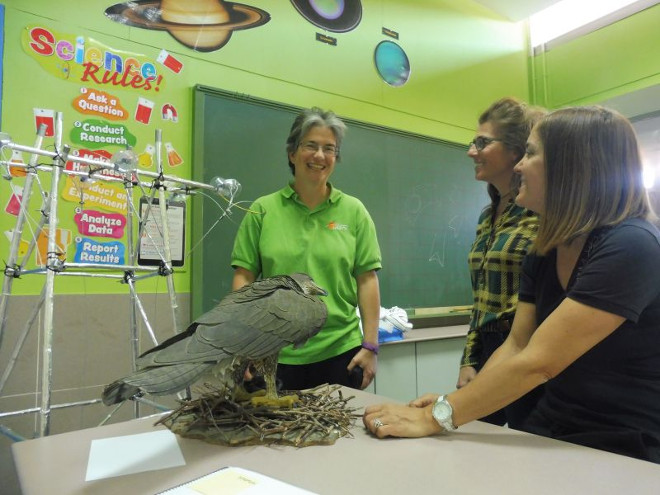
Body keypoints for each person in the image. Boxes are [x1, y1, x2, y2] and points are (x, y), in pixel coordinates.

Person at [363, 106, 660, 463]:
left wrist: (436, 416)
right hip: (552, 429)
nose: (519, 166)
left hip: (623, 446)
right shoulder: (545, 249)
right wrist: (450, 404)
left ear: (571, 167)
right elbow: (517, 345)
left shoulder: (632, 244)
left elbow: (539, 362)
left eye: (532, 153)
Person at [230, 107, 382, 391]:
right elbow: (244, 278)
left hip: (341, 353)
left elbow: (367, 279)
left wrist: (371, 346)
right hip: (271, 353)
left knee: (341, 434)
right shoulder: (263, 210)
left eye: (329, 148)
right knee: (270, 433)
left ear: (336, 158)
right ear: (292, 153)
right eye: (310, 146)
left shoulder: (354, 212)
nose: (320, 156)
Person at [459, 97, 546, 428]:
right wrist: (469, 360)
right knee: (476, 447)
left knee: (528, 450)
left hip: (527, 348)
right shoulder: (486, 216)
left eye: (482, 142)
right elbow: (479, 301)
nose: (471, 151)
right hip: (488, 347)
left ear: (514, 151)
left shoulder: (540, 211)